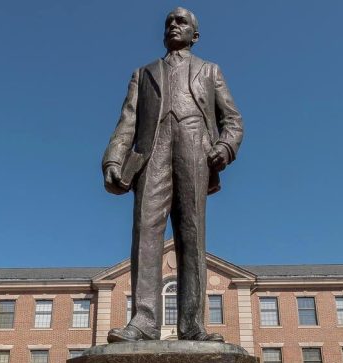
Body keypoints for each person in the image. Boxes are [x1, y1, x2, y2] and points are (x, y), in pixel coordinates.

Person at [103, 7, 243, 343]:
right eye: (169, 22)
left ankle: (192, 324)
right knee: (146, 232)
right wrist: (112, 159)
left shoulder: (210, 71)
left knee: (191, 234)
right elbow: (128, 122)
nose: (173, 25)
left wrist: (224, 148)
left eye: (181, 22)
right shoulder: (144, 73)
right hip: (151, 153)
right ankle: (144, 321)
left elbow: (233, 121)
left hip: (195, 149)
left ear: (195, 35)